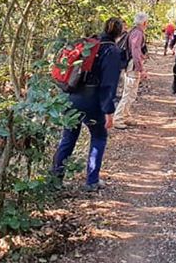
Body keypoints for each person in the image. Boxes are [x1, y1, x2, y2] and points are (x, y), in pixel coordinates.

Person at [51, 17, 124, 192]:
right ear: (119, 32)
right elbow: (108, 84)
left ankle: (55, 180)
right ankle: (92, 180)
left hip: (70, 97)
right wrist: (109, 111)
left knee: (68, 138)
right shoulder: (111, 51)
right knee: (99, 136)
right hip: (91, 101)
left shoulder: (91, 44)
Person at [114, 12, 149, 129]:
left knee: (132, 93)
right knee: (128, 93)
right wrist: (141, 68)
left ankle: (126, 116)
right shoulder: (137, 34)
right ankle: (118, 118)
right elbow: (135, 51)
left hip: (132, 66)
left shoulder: (135, 32)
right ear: (144, 23)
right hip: (132, 66)